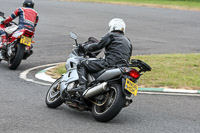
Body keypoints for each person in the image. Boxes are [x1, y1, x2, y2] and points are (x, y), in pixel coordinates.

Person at [78, 18, 133, 91]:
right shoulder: (128, 41)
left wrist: (86, 47)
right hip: (123, 66)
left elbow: (98, 46)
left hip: (110, 63)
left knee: (82, 64)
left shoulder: (111, 35)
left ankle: (82, 87)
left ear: (112, 26)